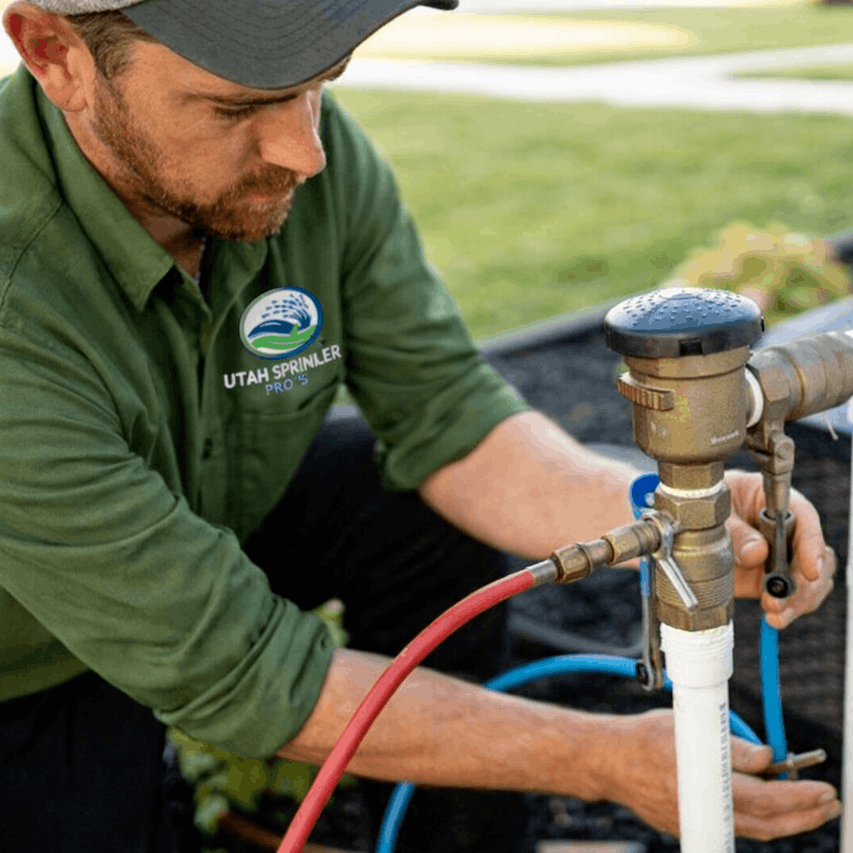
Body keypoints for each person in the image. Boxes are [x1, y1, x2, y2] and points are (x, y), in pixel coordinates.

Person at [0, 1, 841, 851]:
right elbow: (240, 668)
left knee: (392, 497)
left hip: (197, 505)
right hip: (24, 654)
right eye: (234, 106)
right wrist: (597, 757)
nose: (305, 150)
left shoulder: (300, 160)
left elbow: (444, 409)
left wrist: (665, 515)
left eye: (318, 85)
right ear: (55, 53)